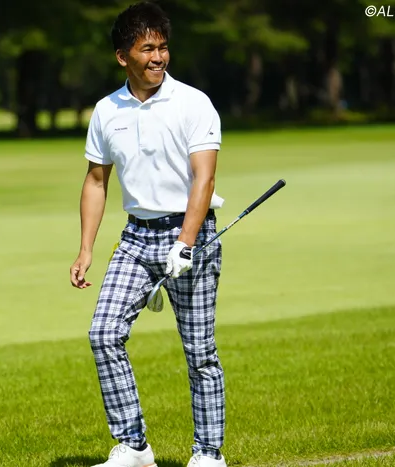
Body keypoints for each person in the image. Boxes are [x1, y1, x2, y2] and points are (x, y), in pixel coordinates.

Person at [69, 2, 227, 467]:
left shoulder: (193, 102)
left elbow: (204, 179)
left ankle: (208, 454)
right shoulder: (106, 111)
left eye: (163, 47)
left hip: (191, 234)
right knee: (103, 334)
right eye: (147, 49)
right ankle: (134, 447)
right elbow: (96, 181)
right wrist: (85, 249)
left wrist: (186, 242)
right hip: (136, 240)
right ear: (123, 56)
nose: (158, 57)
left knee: (199, 351)